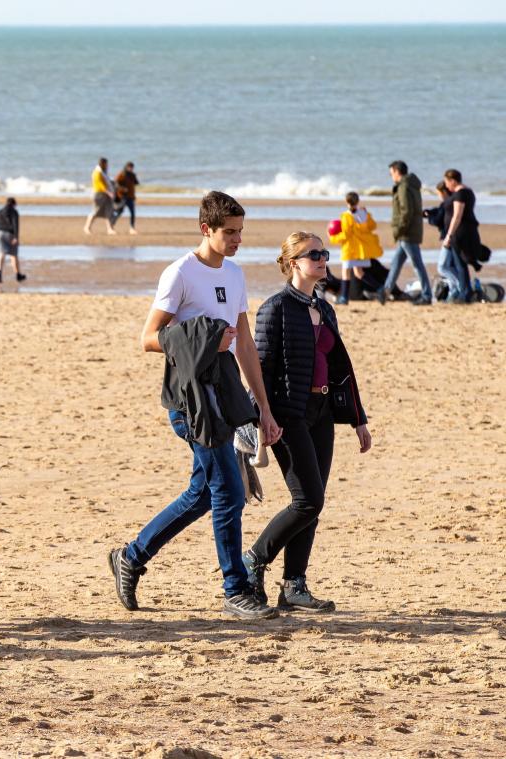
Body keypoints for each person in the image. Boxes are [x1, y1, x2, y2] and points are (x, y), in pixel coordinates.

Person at [107, 191, 283, 621]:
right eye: (229, 232)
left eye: (241, 231)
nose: (237, 239)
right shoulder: (180, 273)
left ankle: (130, 556)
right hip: (190, 401)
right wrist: (203, 335)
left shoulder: (236, 275)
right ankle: (235, 587)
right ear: (206, 229)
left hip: (224, 395)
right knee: (229, 492)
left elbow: (244, 345)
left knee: (204, 494)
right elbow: (148, 338)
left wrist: (262, 407)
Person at [244, 232, 372, 613]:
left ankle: (294, 585)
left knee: (313, 503)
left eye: (324, 253)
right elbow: (260, 369)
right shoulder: (275, 309)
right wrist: (263, 415)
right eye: (313, 254)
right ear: (293, 262)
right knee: (308, 500)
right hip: (287, 414)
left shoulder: (325, 308)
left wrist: (357, 420)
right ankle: (253, 560)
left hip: (322, 414)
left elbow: (340, 368)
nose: (322, 259)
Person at [379, 161, 429, 305]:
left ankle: (426, 295)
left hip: (407, 232)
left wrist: (398, 230)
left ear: (396, 171)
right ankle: (386, 291)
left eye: (391, 173)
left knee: (417, 264)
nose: (391, 176)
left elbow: (406, 212)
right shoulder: (411, 185)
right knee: (396, 263)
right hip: (409, 231)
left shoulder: (404, 186)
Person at [328, 192, 383, 305]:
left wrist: (332, 238)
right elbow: (373, 226)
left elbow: (346, 235)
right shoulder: (364, 213)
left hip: (350, 249)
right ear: (358, 201)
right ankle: (380, 289)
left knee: (346, 272)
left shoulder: (346, 216)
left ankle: (344, 298)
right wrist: (366, 213)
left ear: (347, 202)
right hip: (361, 249)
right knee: (359, 272)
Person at [442, 169, 482, 303]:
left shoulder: (460, 194)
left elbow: (457, 216)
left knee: (460, 264)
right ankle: (464, 291)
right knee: (458, 263)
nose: (446, 186)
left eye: (447, 182)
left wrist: (449, 235)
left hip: (460, 233)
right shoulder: (468, 192)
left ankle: (465, 293)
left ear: (453, 181)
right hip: (466, 231)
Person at [0, 196, 25, 284]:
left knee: (0, 254)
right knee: (13, 255)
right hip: (10, 234)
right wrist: (16, 237)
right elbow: (15, 225)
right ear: (14, 204)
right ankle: (18, 275)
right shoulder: (14, 212)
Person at [83, 157, 117, 235]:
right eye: (106, 164)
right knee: (96, 211)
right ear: (103, 164)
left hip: (106, 194)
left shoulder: (103, 172)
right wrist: (108, 192)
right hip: (99, 194)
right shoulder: (97, 172)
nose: (107, 165)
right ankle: (87, 227)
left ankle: (110, 229)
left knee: (109, 211)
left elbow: (107, 182)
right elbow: (100, 185)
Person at [111, 161, 140, 234]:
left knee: (132, 212)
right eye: (130, 167)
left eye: (132, 167)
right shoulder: (122, 174)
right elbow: (115, 183)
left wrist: (135, 178)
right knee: (119, 212)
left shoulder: (132, 175)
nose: (131, 169)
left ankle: (132, 228)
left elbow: (136, 183)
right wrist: (122, 188)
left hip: (130, 197)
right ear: (126, 167)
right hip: (123, 196)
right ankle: (111, 225)